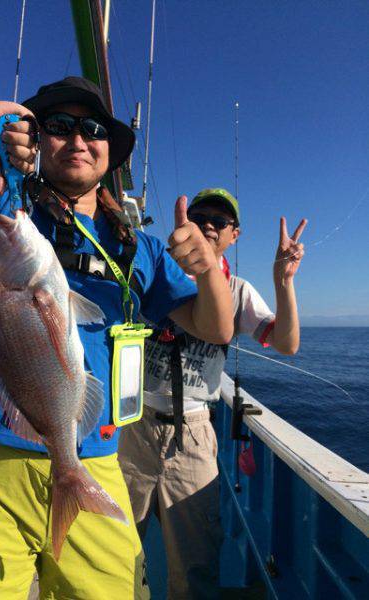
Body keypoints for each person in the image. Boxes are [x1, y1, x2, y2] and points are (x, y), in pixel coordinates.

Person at [0, 79, 233, 599]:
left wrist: (208, 272)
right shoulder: (1, 202)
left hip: (90, 458)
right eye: (59, 128)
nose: (78, 140)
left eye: (93, 129)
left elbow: (217, 327)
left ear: (110, 151)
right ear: (37, 140)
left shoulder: (142, 250)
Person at [118, 188, 307, 600]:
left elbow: (287, 344)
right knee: (114, 552)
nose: (208, 224)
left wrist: (283, 282)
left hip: (194, 436)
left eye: (219, 221)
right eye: (200, 215)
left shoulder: (238, 291)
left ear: (233, 235)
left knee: (195, 563)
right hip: (132, 426)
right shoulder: (154, 270)